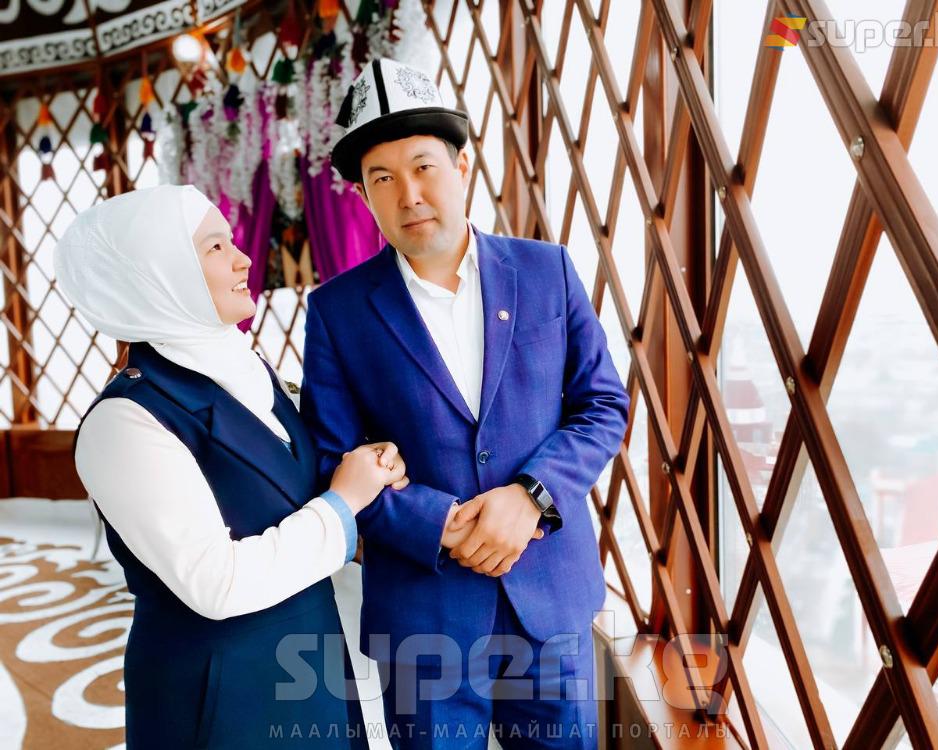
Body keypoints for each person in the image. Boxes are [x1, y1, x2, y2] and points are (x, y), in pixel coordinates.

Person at [301, 58, 629, 748]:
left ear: (461, 168)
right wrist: (442, 524)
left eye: (424, 167)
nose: (409, 194)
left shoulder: (547, 270)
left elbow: (602, 404)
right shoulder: (337, 311)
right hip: (424, 617)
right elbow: (333, 457)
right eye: (382, 179)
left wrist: (531, 496)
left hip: (550, 604)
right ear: (363, 197)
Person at [56, 184, 403, 748]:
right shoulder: (124, 421)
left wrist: (372, 466)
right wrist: (344, 502)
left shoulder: (249, 371)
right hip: (220, 694)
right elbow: (216, 583)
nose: (244, 259)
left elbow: (292, 483)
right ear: (159, 273)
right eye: (215, 247)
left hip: (310, 660)